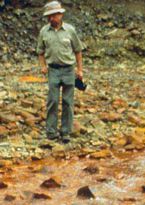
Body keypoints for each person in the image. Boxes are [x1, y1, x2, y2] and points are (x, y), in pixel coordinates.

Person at [37, 1, 85, 143]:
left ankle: (66, 132)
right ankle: (51, 132)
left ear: (60, 15)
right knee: (52, 101)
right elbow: (40, 51)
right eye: (49, 16)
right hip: (53, 70)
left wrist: (80, 70)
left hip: (69, 70)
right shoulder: (44, 31)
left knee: (67, 102)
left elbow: (78, 50)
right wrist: (43, 66)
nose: (51, 19)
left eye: (54, 15)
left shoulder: (70, 30)